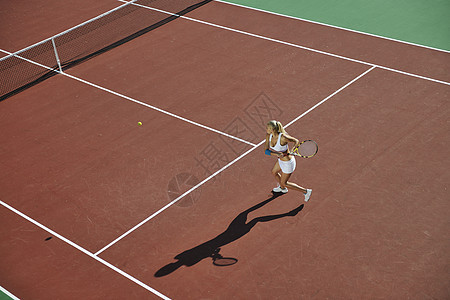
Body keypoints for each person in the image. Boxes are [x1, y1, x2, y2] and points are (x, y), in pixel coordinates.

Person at [264, 120, 312, 202]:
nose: (266, 129)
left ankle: (306, 191)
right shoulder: (269, 135)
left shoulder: (283, 137)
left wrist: (292, 150)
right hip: (280, 160)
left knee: (284, 183)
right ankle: (283, 189)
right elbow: (266, 151)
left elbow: (296, 141)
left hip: (288, 163)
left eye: (268, 128)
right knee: (274, 172)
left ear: (272, 129)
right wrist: (277, 154)